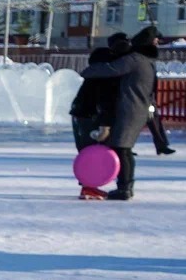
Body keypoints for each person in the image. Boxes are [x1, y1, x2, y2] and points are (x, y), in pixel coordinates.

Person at [78, 26, 162, 200]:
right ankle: (126, 186)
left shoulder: (135, 59)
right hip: (137, 110)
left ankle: (124, 188)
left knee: (122, 149)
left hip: (129, 111)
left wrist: (88, 72)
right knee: (124, 149)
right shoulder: (147, 61)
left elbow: (110, 69)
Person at [69, 32, 131, 199]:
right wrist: (105, 125)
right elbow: (105, 102)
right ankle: (88, 186)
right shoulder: (105, 78)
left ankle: (88, 185)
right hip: (91, 118)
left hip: (79, 115)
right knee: (91, 151)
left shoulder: (92, 74)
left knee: (85, 150)